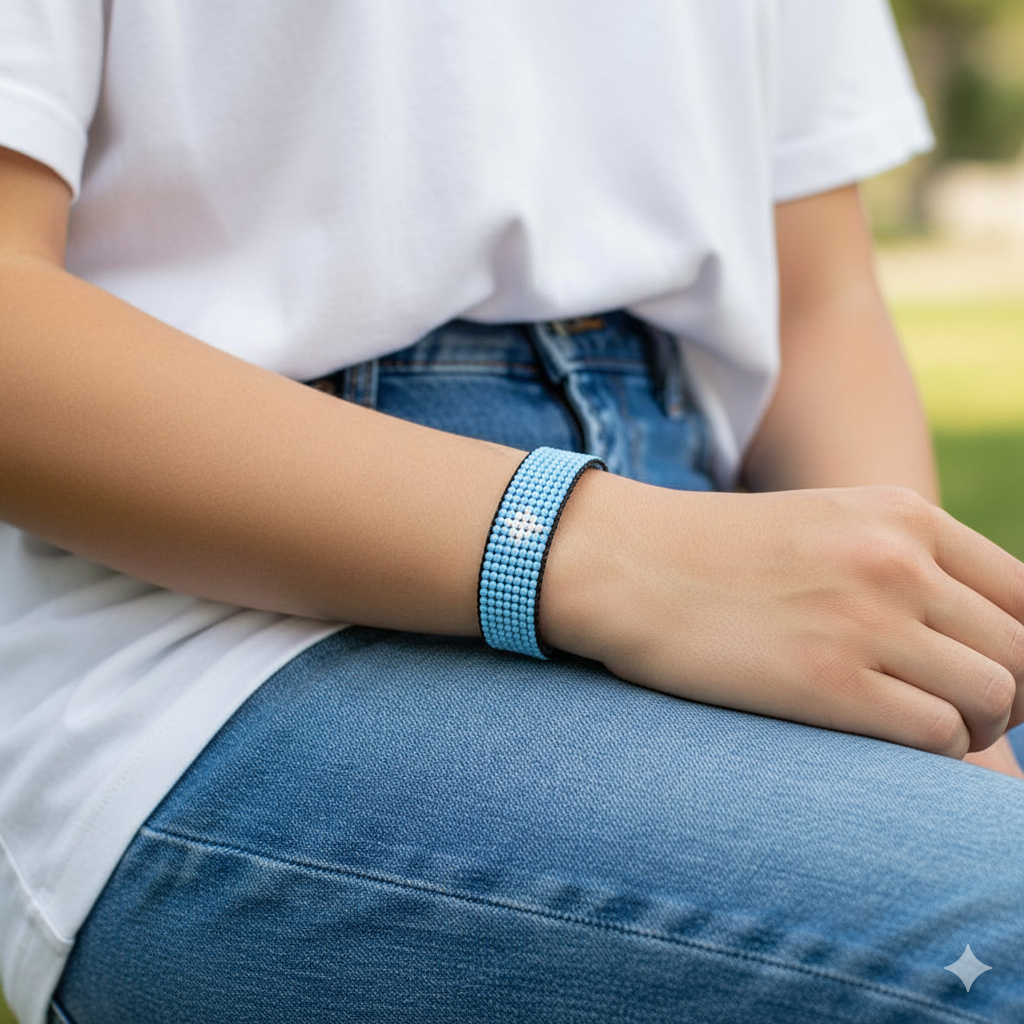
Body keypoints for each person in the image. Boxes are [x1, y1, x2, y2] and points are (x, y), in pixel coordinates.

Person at [1, 1, 1023, 1021]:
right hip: (231, 629)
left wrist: (933, 691)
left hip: (727, 547)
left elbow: (822, 299)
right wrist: (609, 551)